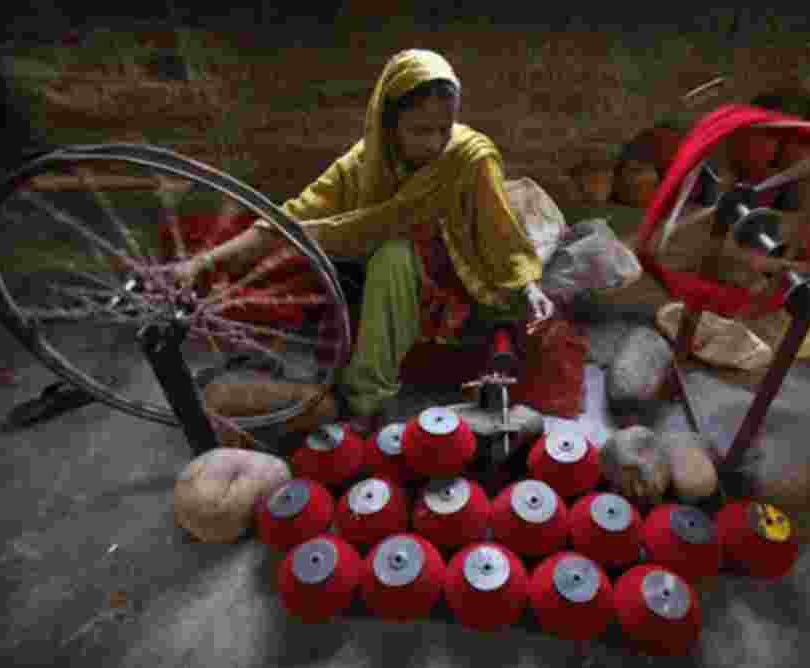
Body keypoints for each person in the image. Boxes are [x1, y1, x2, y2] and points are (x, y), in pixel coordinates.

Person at [172, 49, 555, 434]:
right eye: (421, 131)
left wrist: (528, 286)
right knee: (314, 252)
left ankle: (367, 399)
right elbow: (290, 220)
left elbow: (499, 232)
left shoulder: (471, 158)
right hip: (396, 264)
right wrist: (205, 262)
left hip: (460, 271)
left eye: (445, 128)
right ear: (388, 125)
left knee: (391, 253)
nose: (436, 142)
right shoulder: (365, 162)